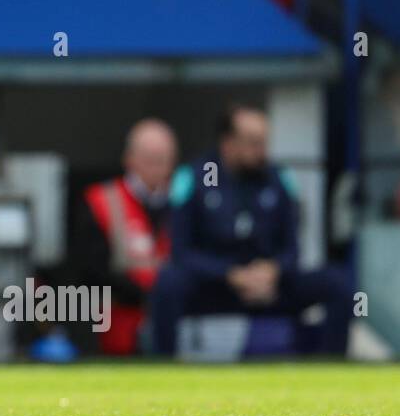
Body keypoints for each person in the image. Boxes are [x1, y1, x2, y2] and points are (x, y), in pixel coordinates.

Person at [151, 105, 352, 356]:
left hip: (268, 287)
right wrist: (230, 274)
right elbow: (181, 253)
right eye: (253, 142)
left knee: (338, 282)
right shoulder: (192, 177)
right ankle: (164, 365)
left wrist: (272, 271)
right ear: (228, 143)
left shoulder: (280, 178)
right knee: (167, 283)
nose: (262, 151)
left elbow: (292, 250)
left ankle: (332, 367)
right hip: (216, 286)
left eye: (264, 142)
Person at [70, 119, 177, 355]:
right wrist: (145, 295)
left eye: (163, 160)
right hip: (117, 323)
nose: (157, 168)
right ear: (129, 159)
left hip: (172, 320)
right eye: (150, 159)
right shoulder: (100, 200)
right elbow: (90, 267)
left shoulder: (183, 203)